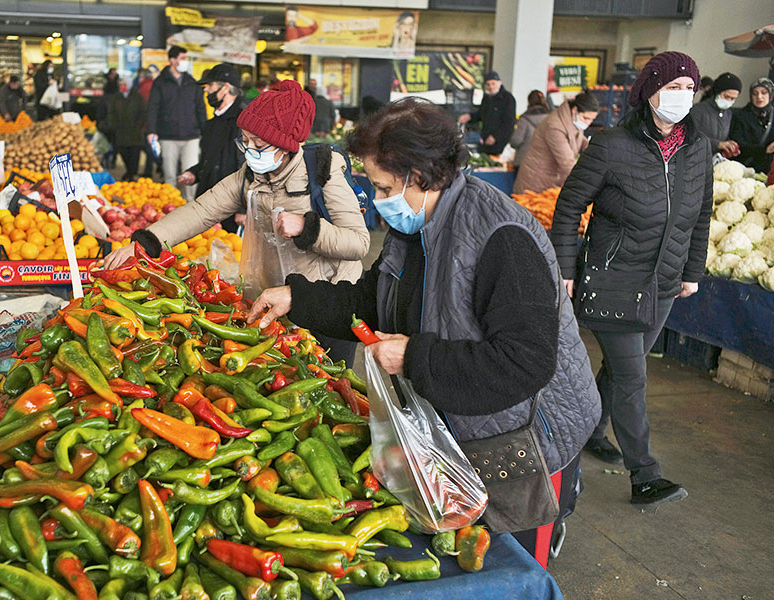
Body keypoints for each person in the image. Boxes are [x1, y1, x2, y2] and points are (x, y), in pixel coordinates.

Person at [245, 97, 600, 563]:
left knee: (514, 560)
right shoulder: (417, 225)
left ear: (419, 176)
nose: (376, 199)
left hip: (530, 438)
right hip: (469, 423)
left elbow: (524, 362)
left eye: (382, 185)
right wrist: (299, 298)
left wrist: (414, 358)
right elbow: (374, 300)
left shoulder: (502, 237)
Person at [104, 81, 370, 364]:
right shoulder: (249, 176)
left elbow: (359, 243)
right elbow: (202, 209)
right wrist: (147, 243)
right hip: (279, 303)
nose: (250, 150)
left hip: (327, 302)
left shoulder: (324, 172)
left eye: (259, 144)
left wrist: (309, 228)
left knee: (332, 382)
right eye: (244, 140)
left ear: (286, 145)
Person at [552, 51, 712, 508]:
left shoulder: (697, 148)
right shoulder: (612, 144)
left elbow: (701, 213)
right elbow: (568, 207)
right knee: (632, 377)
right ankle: (645, 474)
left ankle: (589, 431)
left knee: (623, 369)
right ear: (649, 92)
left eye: (688, 88)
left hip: (663, 281)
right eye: (672, 87)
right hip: (615, 279)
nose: (682, 96)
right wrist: (566, 269)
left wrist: (691, 272)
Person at [177, 63, 244, 232]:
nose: (206, 90)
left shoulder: (244, 121)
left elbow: (248, 167)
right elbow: (210, 159)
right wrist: (194, 173)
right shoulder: (212, 123)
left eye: (210, 85)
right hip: (208, 203)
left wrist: (244, 209)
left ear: (226, 88)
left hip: (231, 207)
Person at [146, 46, 206, 201]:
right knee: (170, 176)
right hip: (168, 136)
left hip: (191, 136)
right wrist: (151, 131)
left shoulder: (192, 82)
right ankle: (169, 208)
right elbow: (153, 107)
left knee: (190, 176)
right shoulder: (160, 82)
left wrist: (205, 132)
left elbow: (200, 108)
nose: (185, 62)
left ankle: (191, 207)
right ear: (172, 60)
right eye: (182, 58)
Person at [512, 92, 598, 194]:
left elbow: (579, 140)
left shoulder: (573, 120)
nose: (588, 123)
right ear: (575, 110)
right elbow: (566, 162)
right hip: (536, 183)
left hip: (551, 181)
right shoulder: (554, 125)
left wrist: (596, 150)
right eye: (586, 118)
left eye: (592, 120)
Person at [458, 72, 516, 155]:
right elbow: (481, 114)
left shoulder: (508, 98)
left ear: (499, 83)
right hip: (485, 142)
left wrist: (495, 136)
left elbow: (509, 122)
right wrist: (469, 116)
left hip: (501, 144)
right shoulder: (487, 98)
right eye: (488, 84)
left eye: (493, 83)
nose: (491, 87)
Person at [103, 73, 147, 182]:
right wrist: (114, 125)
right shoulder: (116, 97)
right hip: (120, 132)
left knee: (134, 155)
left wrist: (139, 125)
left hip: (135, 133)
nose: (122, 86)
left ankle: (132, 174)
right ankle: (129, 172)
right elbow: (111, 112)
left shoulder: (138, 97)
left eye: (124, 84)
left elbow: (143, 112)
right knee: (123, 154)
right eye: (120, 84)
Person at [689, 72, 742, 158]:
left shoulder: (728, 113)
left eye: (732, 99)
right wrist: (718, 144)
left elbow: (723, 137)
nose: (728, 100)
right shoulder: (698, 110)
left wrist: (729, 146)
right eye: (726, 96)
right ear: (718, 92)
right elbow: (690, 137)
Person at [730, 78, 774, 173]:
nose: (759, 97)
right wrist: (764, 149)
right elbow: (738, 144)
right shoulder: (741, 116)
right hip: (746, 168)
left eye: (764, 93)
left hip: (770, 169)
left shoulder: (772, 116)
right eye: (755, 93)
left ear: (770, 95)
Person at [509, 90, 551, 167]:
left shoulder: (524, 119)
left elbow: (516, 141)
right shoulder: (551, 119)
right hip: (544, 163)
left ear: (529, 101)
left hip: (524, 162)